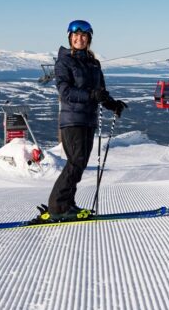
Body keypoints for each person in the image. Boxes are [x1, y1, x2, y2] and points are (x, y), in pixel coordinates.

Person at [45, 19, 127, 221]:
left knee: (79, 164)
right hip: (73, 120)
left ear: (88, 39)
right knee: (76, 162)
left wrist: (112, 104)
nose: (79, 39)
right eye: (75, 35)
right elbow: (65, 91)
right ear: (70, 38)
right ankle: (58, 206)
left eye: (83, 35)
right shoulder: (64, 61)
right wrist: (91, 95)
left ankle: (68, 203)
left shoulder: (93, 63)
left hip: (88, 120)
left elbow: (100, 92)